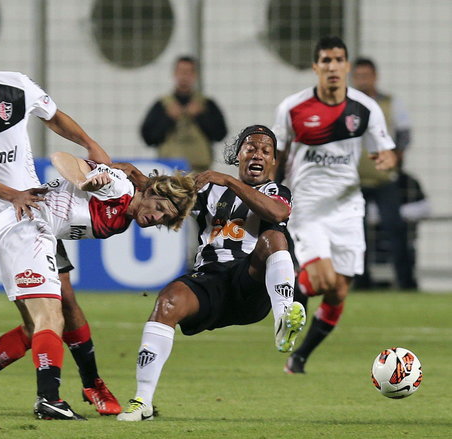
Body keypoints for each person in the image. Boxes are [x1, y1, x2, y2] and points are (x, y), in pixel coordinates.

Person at [0, 27, 115, 415]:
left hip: (28, 210)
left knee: (61, 300)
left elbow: (55, 117)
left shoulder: (17, 87)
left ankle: (92, 383)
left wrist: (90, 145)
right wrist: (11, 194)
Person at [0, 152, 196, 419]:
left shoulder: (122, 220)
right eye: (159, 209)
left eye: (164, 220)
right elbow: (61, 157)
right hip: (26, 225)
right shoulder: (119, 187)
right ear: (152, 193)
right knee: (51, 318)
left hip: (30, 229)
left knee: (35, 328)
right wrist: (82, 180)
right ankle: (49, 399)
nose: (156, 218)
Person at [116, 125, 306, 421]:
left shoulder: (275, 192)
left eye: (265, 151)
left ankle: (284, 319)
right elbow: (168, 197)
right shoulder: (209, 188)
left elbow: (278, 214)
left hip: (249, 280)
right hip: (210, 280)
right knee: (167, 302)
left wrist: (229, 181)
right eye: (251, 148)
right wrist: (136, 181)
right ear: (239, 155)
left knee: (274, 238)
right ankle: (142, 401)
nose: (258, 154)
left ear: (273, 162)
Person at [272, 36, 397, 375]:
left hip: (347, 207)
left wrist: (386, 159)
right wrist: (274, 195)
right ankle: (288, 305)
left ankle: (298, 358)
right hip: (308, 204)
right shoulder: (292, 108)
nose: (332, 66)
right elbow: (278, 156)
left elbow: (385, 149)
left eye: (338, 59)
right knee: (325, 279)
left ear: (346, 66)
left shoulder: (365, 109)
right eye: (325, 60)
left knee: (339, 291)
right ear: (315, 67)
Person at [351, 57, 417, 289]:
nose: (362, 81)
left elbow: (404, 133)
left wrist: (396, 155)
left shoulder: (390, 103)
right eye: (358, 76)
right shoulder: (345, 105)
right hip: (354, 180)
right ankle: (361, 282)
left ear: (375, 77)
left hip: (384, 177)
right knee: (356, 235)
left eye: (366, 76)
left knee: (395, 229)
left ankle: (406, 281)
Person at [140, 55, 227, 173]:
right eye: (181, 72)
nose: (184, 76)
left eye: (188, 72)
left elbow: (220, 134)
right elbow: (148, 138)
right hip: (169, 171)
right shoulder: (162, 105)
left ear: (195, 75)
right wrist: (168, 119)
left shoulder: (206, 104)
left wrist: (201, 116)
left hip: (200, 171)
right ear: (174, 74)